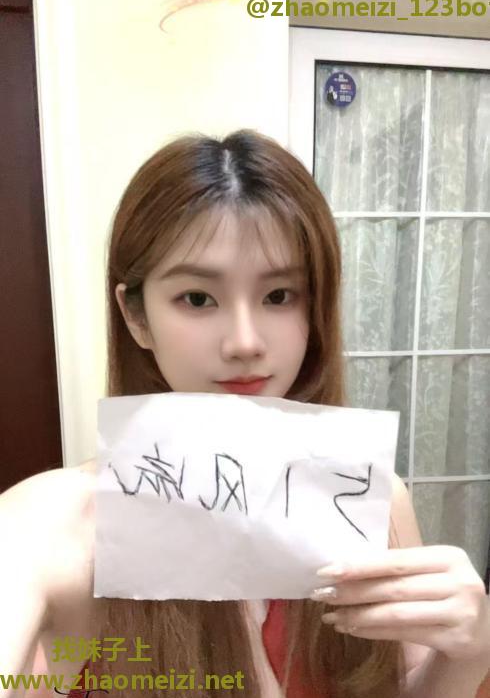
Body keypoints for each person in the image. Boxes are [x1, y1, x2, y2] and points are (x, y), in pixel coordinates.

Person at [1, 129, 489, 698]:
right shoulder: (53, 524)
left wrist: (471, 651)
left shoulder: (374, 503)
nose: (245, 342)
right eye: (197, 298)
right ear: (136, 317)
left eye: (279, 296)